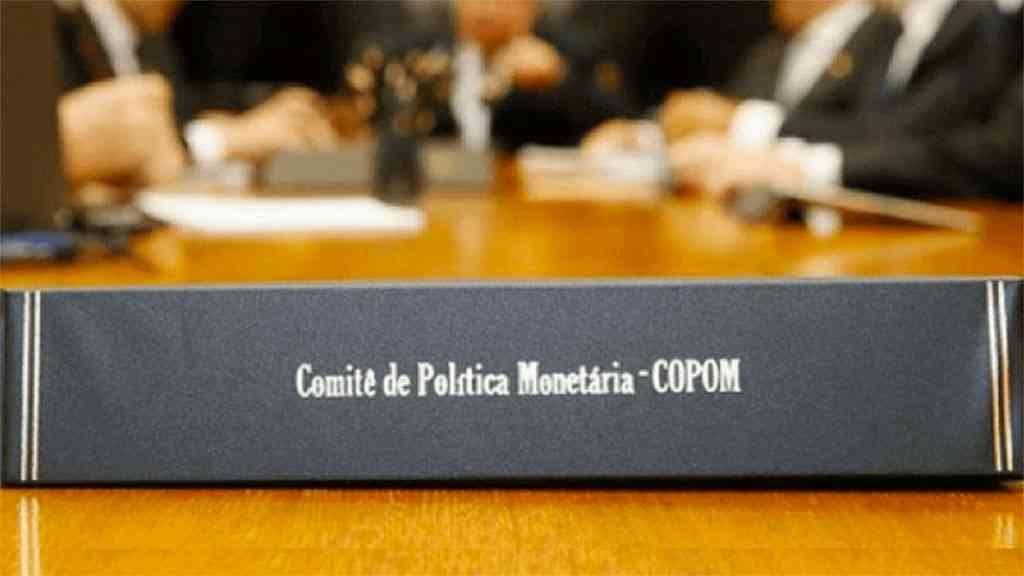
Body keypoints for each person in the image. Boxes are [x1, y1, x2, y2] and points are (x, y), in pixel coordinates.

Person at [669, 0, 1020, 201]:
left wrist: (802, 166)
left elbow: (988, 153)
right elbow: (882, 130)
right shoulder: (888, 30)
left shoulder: (987, 20)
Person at [56, 0, 339, 189]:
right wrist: (225, 140)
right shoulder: (54, 28)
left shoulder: (153, 44)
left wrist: (259, 119)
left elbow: (182, 116)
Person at [355, 0, 627, 151]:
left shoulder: (572, 52)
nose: (487, 7)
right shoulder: (411, 52)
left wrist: (560, 79)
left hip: (535, 210)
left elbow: (620, 119)